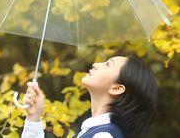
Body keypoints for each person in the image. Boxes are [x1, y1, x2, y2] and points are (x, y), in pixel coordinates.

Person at [20, 55, 158, 138]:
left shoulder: (103, 135)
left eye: (108, 64)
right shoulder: (95, 131)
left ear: (116, 88)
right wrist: (33, 116)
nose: (96, 64)